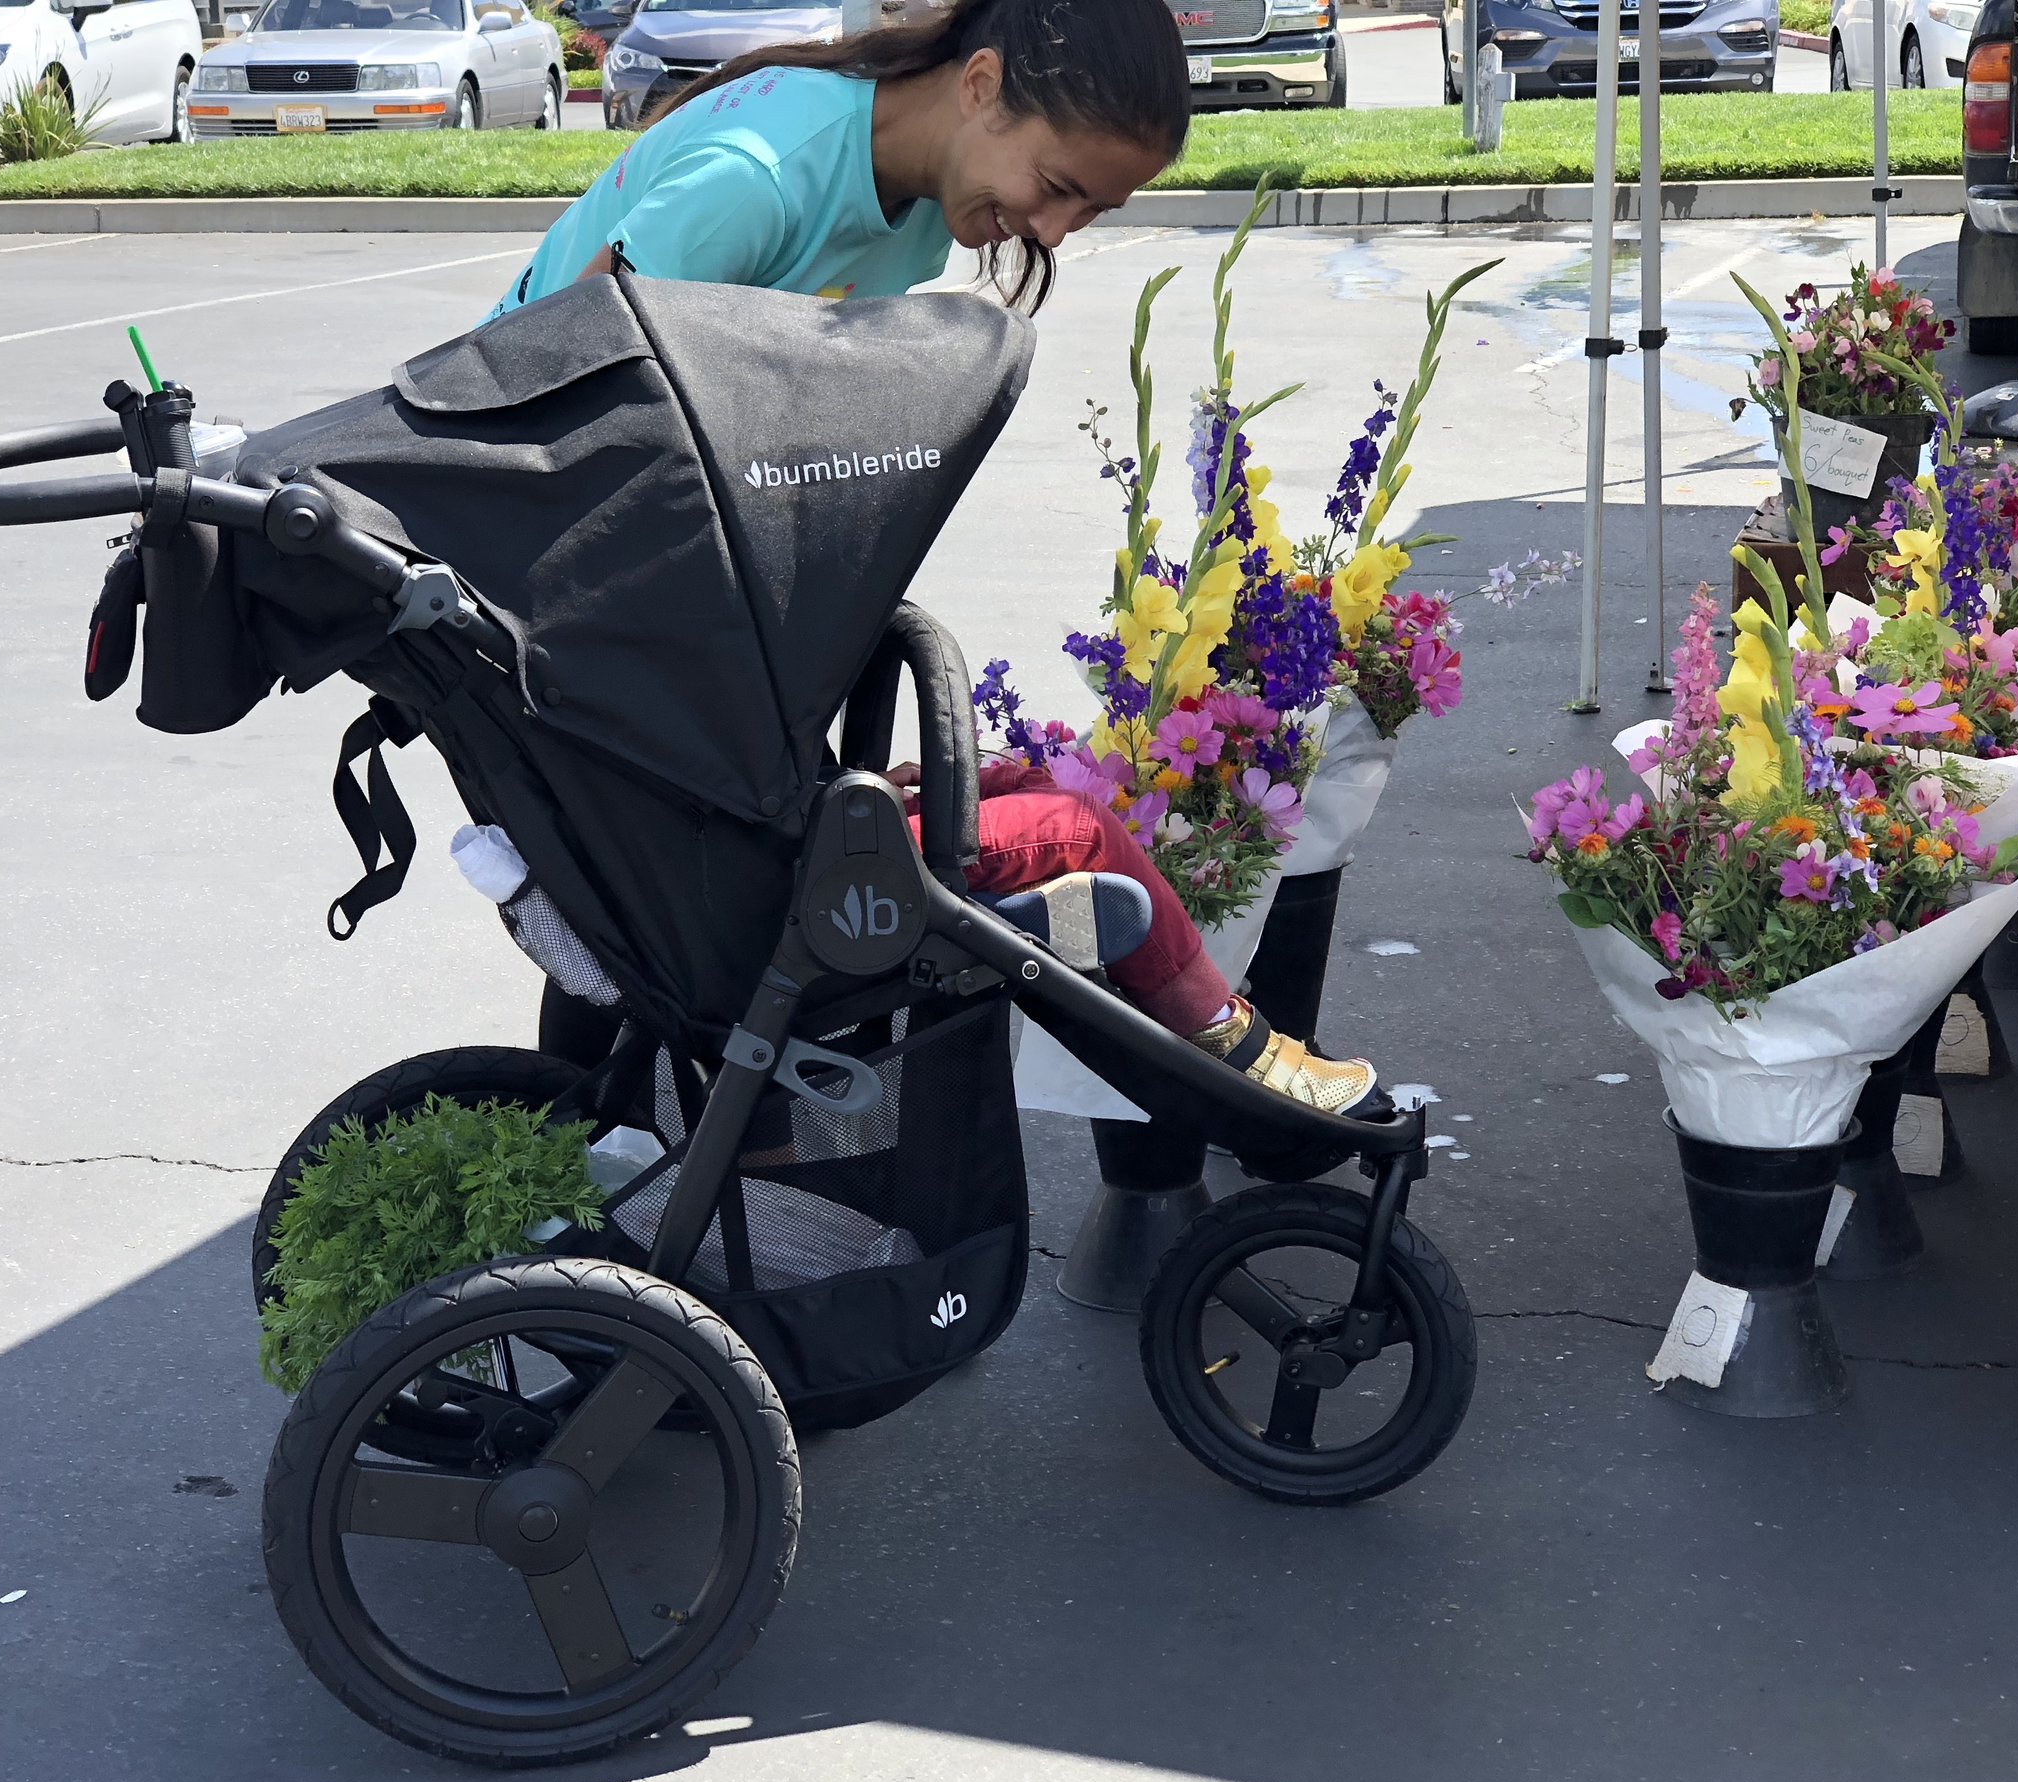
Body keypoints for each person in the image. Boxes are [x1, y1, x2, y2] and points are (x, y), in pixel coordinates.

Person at [491, 0, 1386, 1117]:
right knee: (651, 884)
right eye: (1056, 187)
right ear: (978, 86)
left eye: (1087, 212)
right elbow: (567, 390)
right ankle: (591, 1129)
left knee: (667, 886)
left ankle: (603, 1131)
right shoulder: (757, 181)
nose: (1051, 232)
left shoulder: (918, 204)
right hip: (555, 559)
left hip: (675, 579)